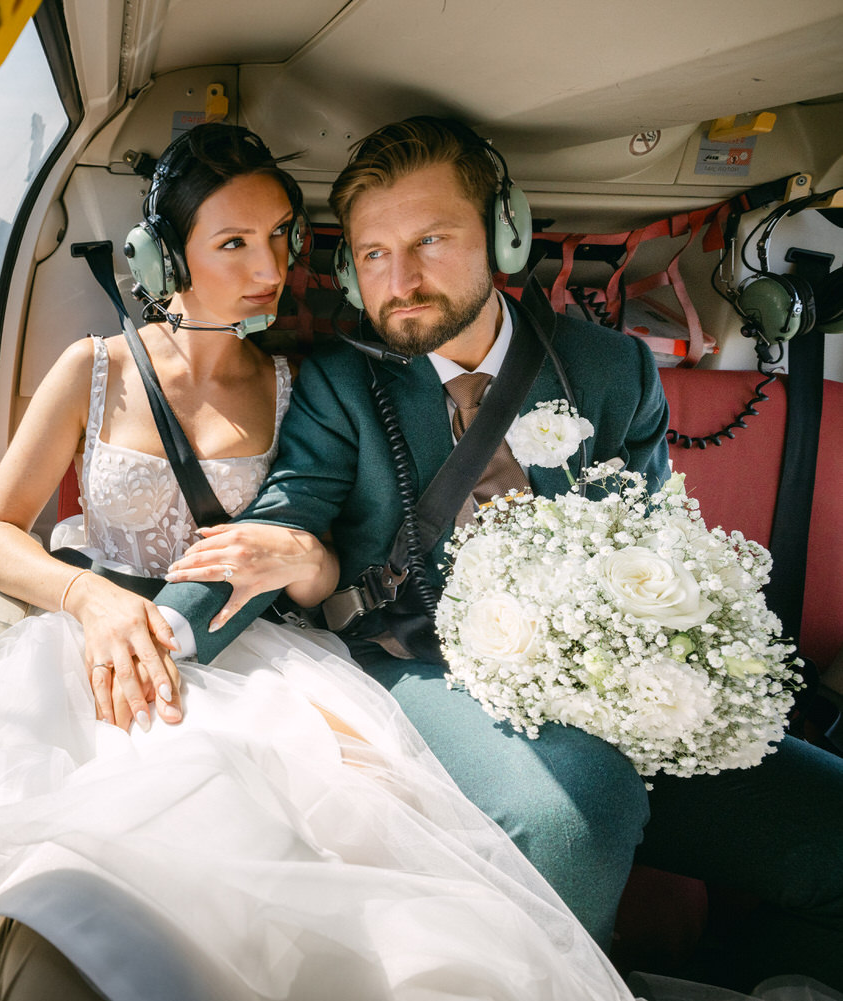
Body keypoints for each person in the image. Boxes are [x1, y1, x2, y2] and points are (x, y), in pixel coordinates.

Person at [0, 123, 640, 1001]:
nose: (269, 268)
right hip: (100, 633)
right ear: (159, 260)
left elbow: (318, 558)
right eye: (234, 242)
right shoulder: (94, 369)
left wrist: (305, 557)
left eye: (281, 240)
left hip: (257, 645)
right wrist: (92, 601)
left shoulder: (301, 382)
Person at [151, 116, 843, 993]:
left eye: (430, 240)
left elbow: (661, 540)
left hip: (622, 692)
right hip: (426, 678)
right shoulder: (336, 383)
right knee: (579, 810)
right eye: (371, 255)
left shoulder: (614, 371)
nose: (398, 281)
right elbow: (282, 518)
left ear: (503, 237)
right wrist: (156, 643)